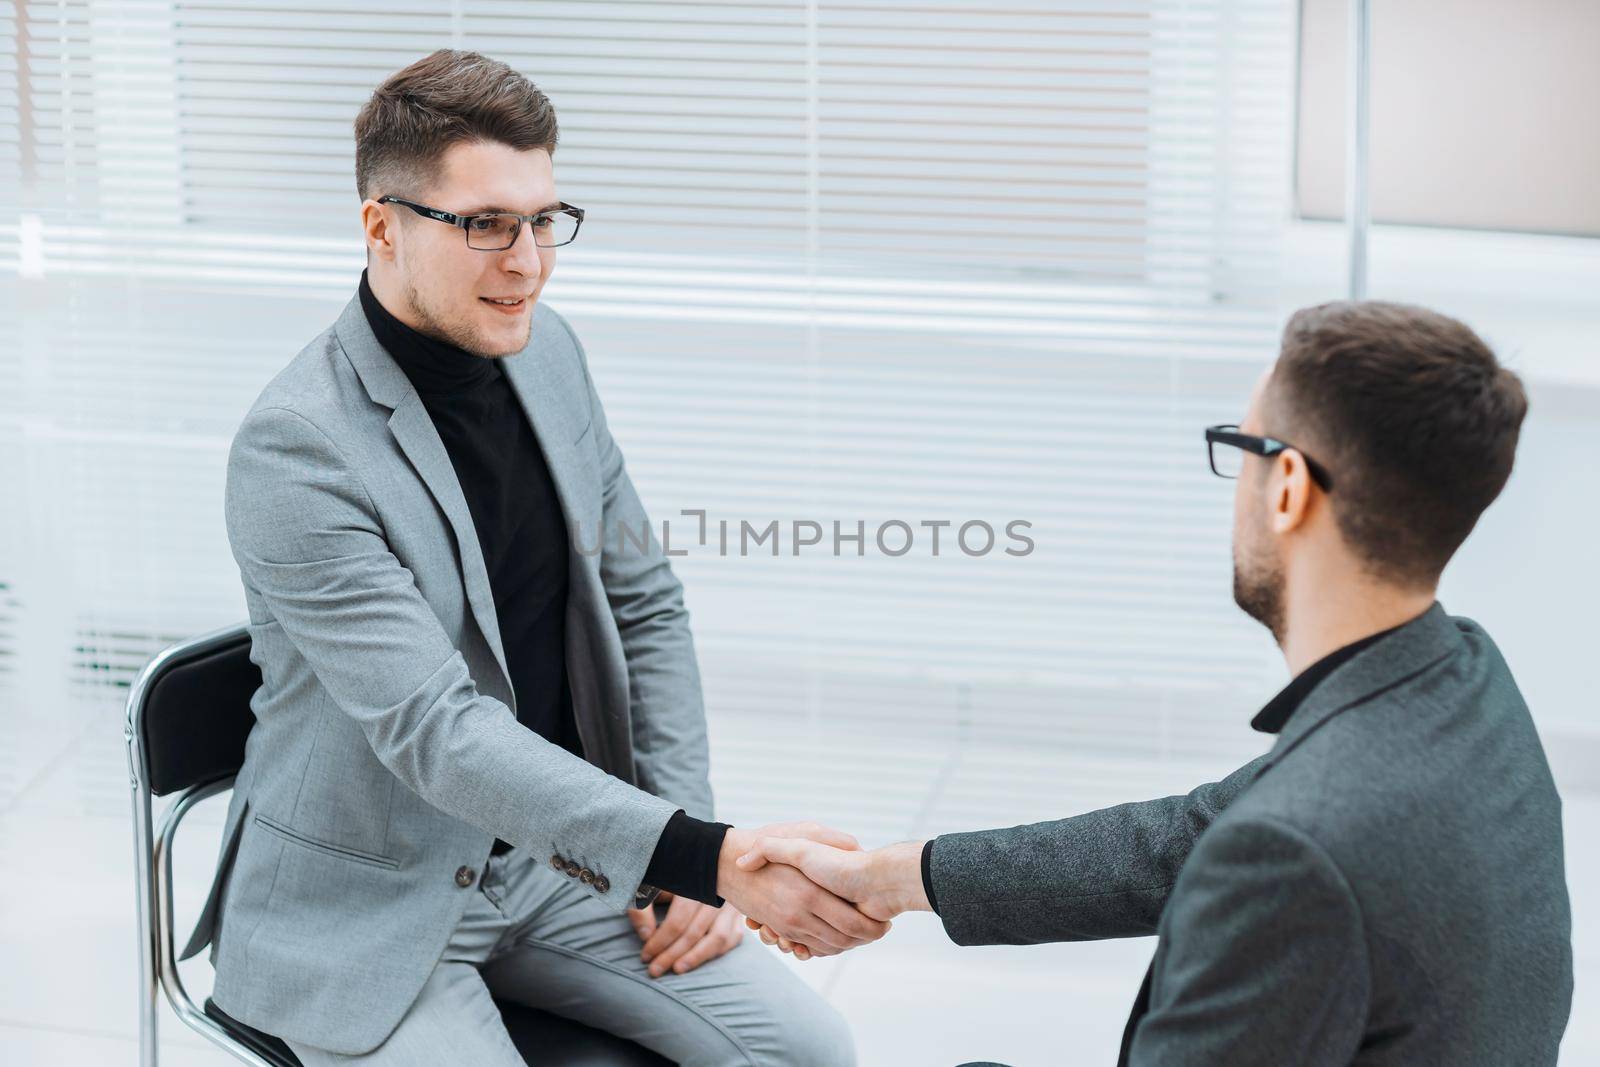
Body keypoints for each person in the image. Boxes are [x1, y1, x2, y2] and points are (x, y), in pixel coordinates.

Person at [180, 48, 882, 1066]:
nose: (529, 261)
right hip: (369, 903)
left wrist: (681, 848)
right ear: (381, 225)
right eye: (484, 226)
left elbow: (645, 599)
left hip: (559, 865)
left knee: (810, 1049)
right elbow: (437, 729)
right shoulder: (298, 447)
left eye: (543, 219)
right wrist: (712, 855)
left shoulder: (545, 350)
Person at [738, 300, 1574, 1065]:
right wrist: (890, 876)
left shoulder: (1298, 848)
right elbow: (1186, 837)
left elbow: (1266, 844)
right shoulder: (1463, 679)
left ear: (1286, 485)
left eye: (1239, 446)